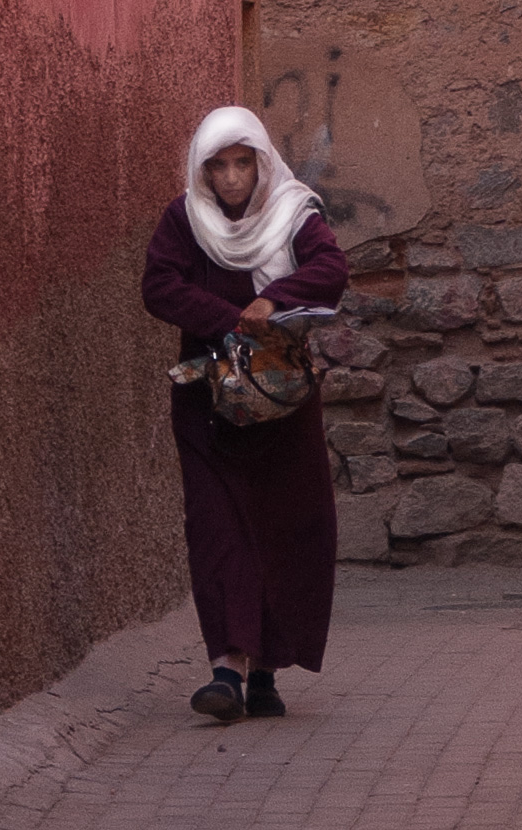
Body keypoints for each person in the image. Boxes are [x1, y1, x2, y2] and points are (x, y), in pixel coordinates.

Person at [142, 106, 349, 721]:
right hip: (208, 404)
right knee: (218, 529)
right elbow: (159, 286)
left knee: (285, 529)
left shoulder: (293, 213)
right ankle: (228, 671)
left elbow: (330, 270)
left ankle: (266, 671)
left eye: (242, 163)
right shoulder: (184, 221)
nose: (231, 179)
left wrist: (273, 299)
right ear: (201, 170)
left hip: (282, 403)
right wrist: (228, 319)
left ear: (262, 163)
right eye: (218, 166)